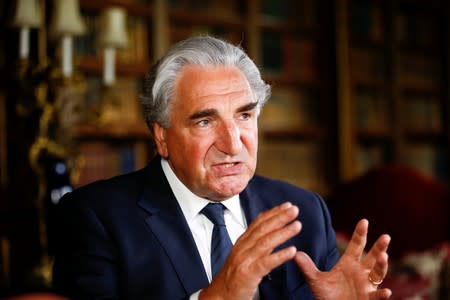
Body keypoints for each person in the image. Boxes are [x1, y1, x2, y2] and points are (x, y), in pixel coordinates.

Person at [52, 35, 392, 300]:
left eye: (244, 116)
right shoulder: (94, 218)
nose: (232, 143)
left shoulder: (304, 210)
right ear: (162, 137)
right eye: (204, 121)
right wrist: (218, 296)